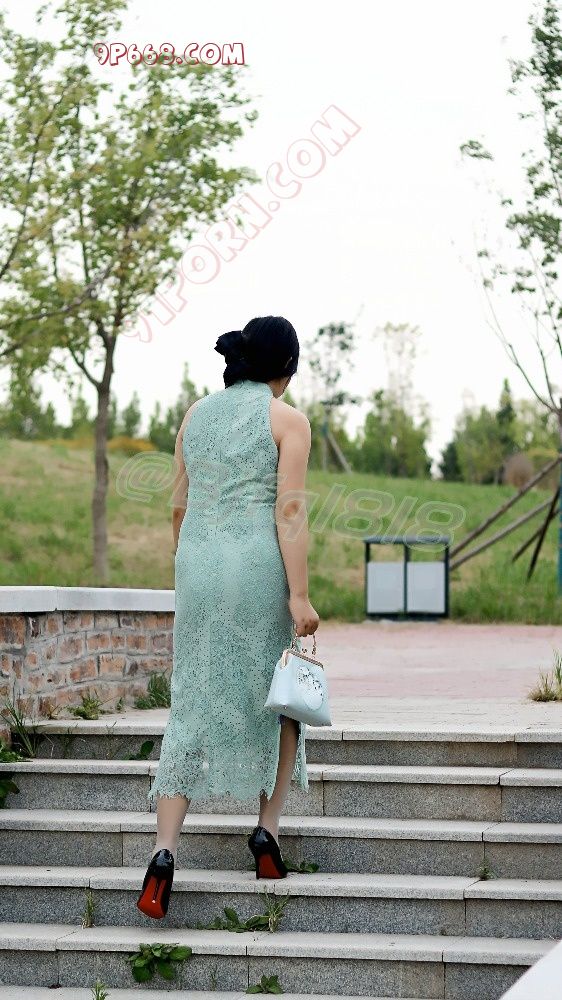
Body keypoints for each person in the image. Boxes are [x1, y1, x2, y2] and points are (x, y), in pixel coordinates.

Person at [136, 315, 320, 918]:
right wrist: (300, 596)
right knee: (280, 695)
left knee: (191, 699)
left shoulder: (195, 415)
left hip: (197, 565)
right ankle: (266, 832)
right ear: (286, 367)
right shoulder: (288, 421)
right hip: (256, 568)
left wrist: (189, 563)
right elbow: (289, 513)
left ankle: (163, 853)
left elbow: (179, 506)